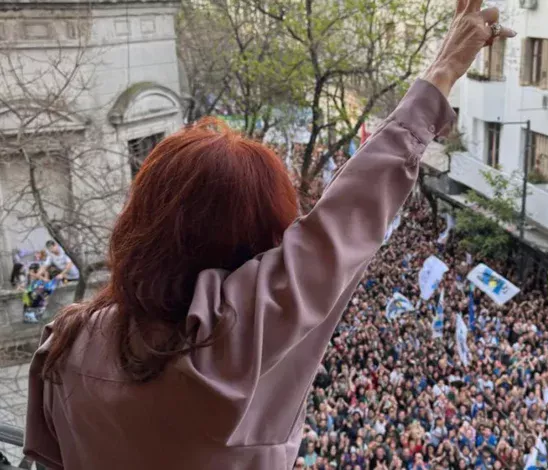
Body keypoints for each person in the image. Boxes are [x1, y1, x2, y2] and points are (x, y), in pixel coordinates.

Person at [22, 2, 516, 469]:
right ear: (261, 241)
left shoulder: (63, 345)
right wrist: (442, 72)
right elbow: (345, 219)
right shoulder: (230, 346)